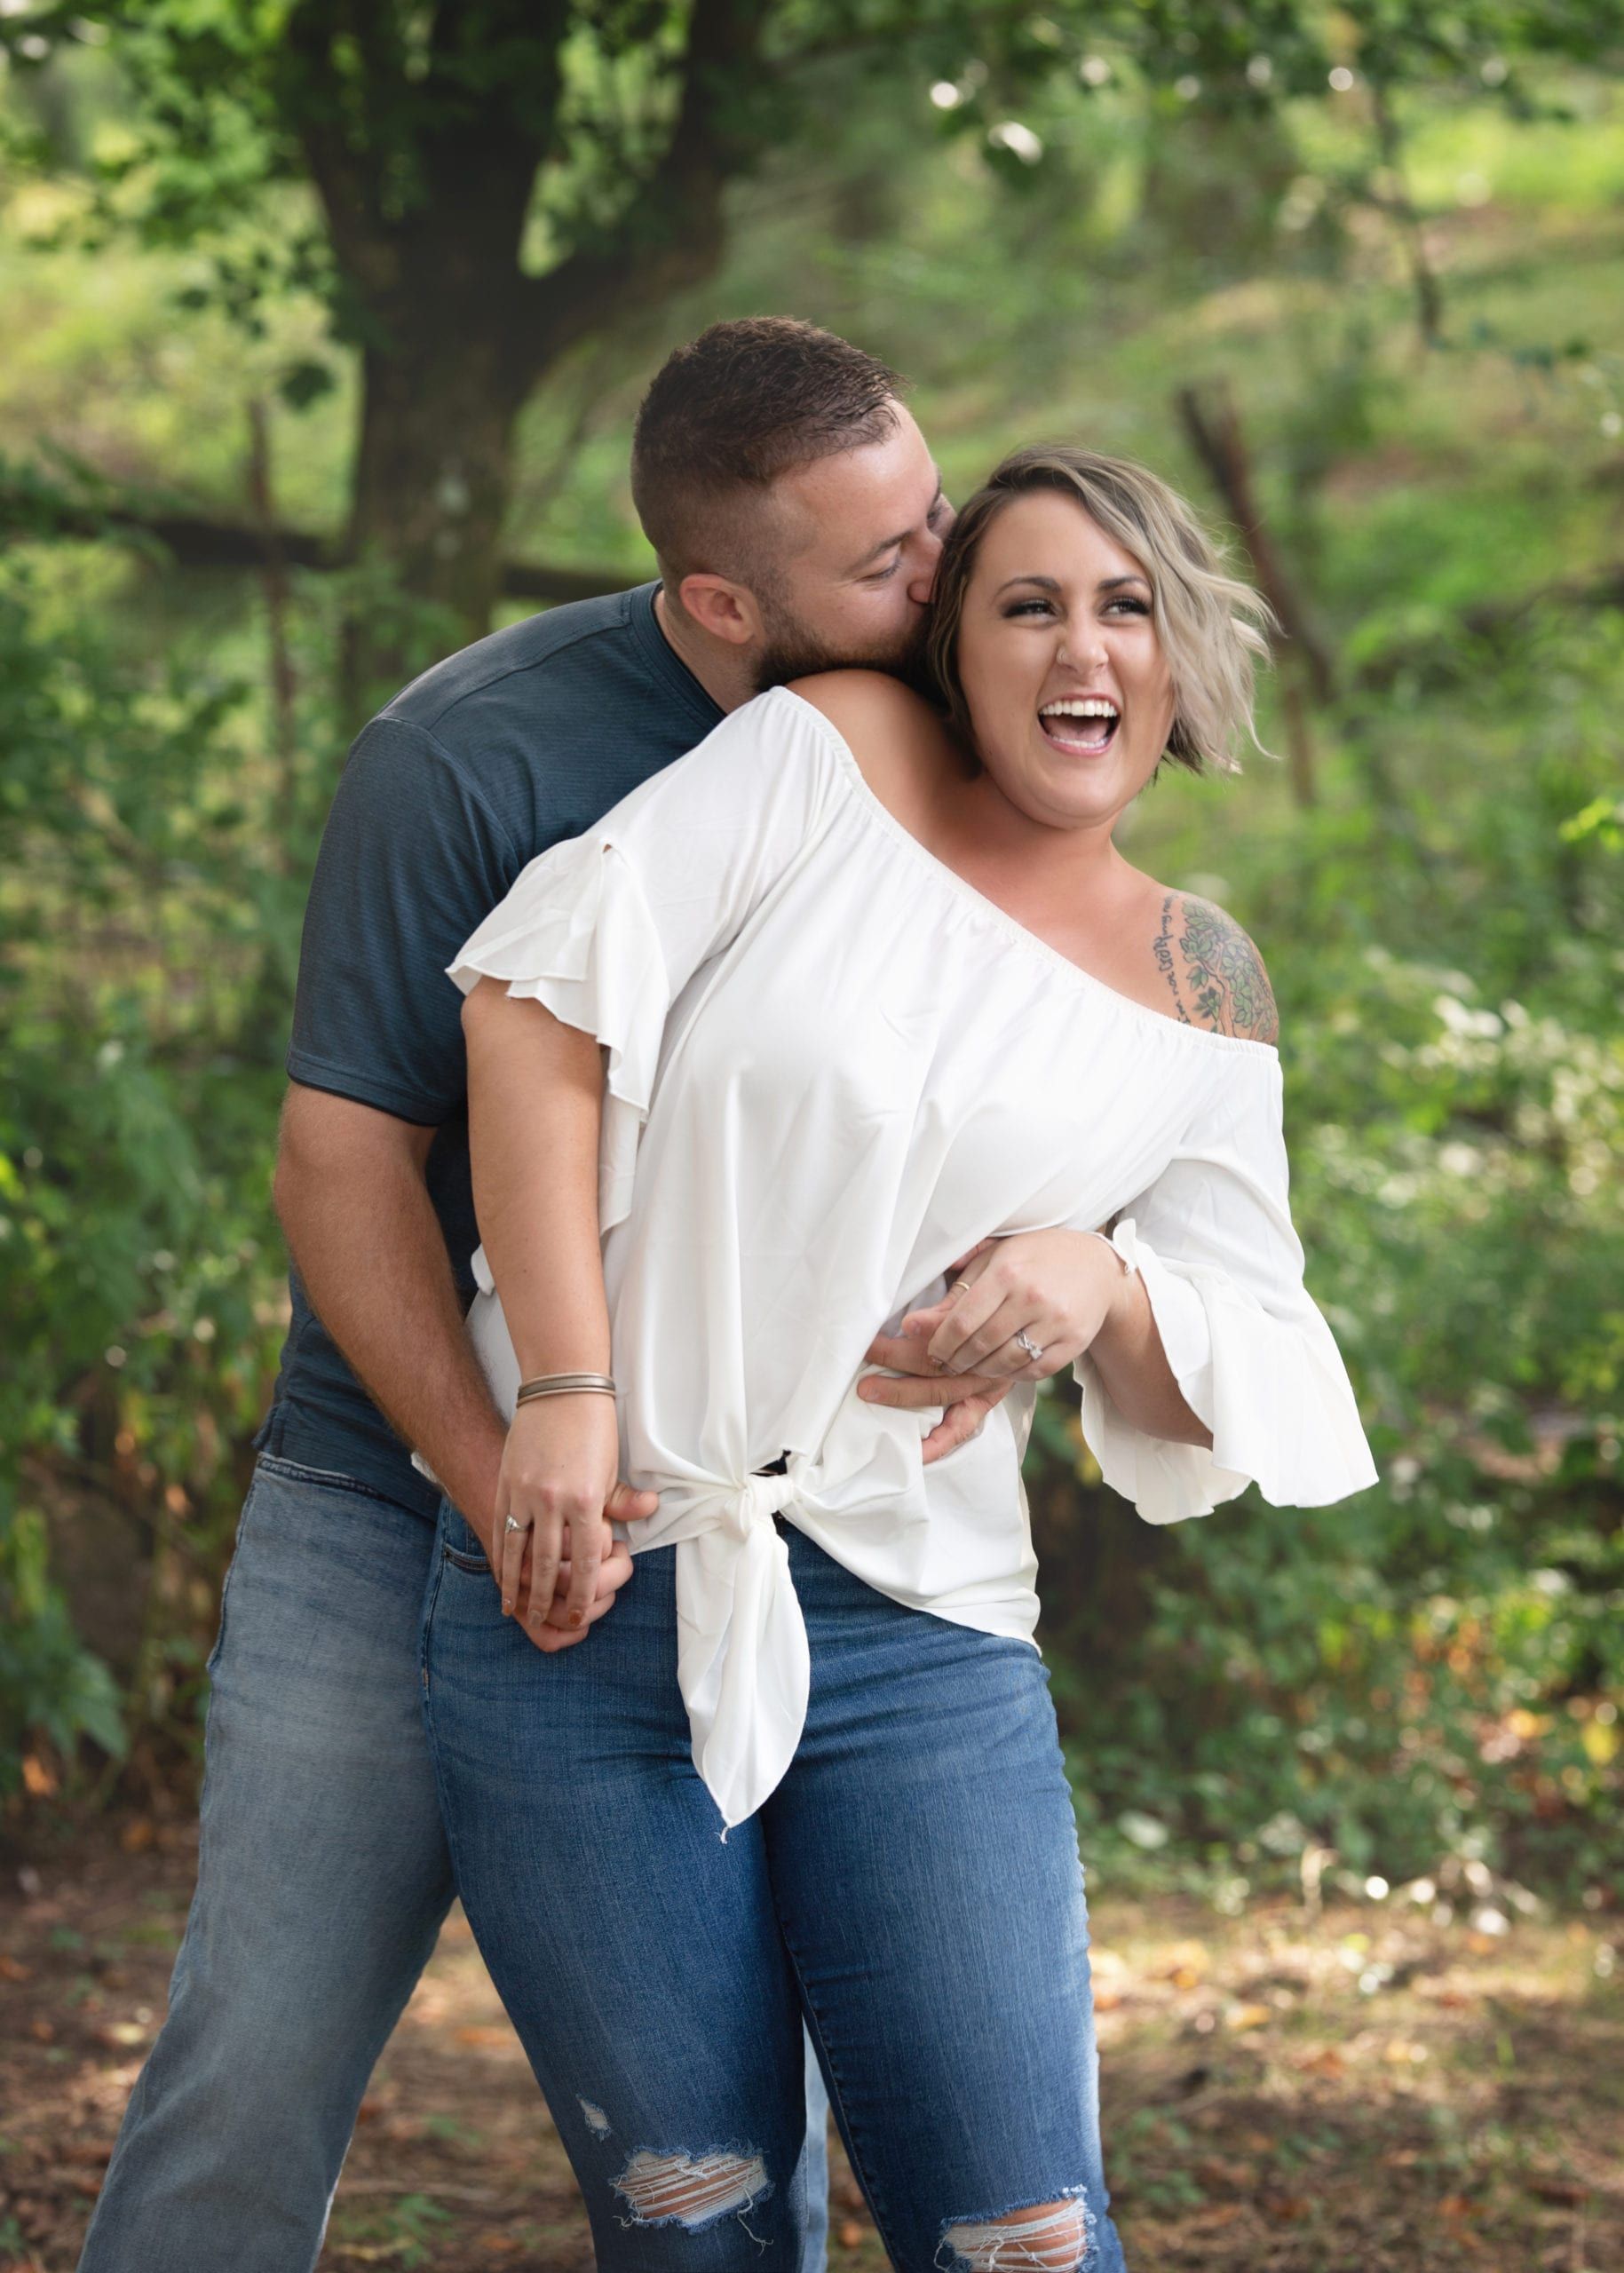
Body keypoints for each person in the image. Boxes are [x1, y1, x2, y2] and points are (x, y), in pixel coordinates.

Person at [78, 320, 1010, 2273]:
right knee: (260, 2058)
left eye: (935, 516)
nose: (944, 578)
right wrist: (495, 1460)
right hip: (392, 1490)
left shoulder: (951, 732)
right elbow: (342, 1158)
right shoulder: (474, 754)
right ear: (721, 600)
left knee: (737, 2119)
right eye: (886, 560)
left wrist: (1032, 1273)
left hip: (750, 1519)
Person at [421, 442, 1379, 2270]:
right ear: (954, 645)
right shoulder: (830, 751)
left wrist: (1099, 1279)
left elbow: (1239, 1370)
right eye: (1027, 604)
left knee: (1023, 2230)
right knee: (692, 2218)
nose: (1080, 647)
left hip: (920, 1632)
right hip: (585, 1577)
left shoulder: (1202, 983)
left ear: (1175, 652)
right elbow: (539, 1002)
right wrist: (561, 1388)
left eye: (1124, 605)